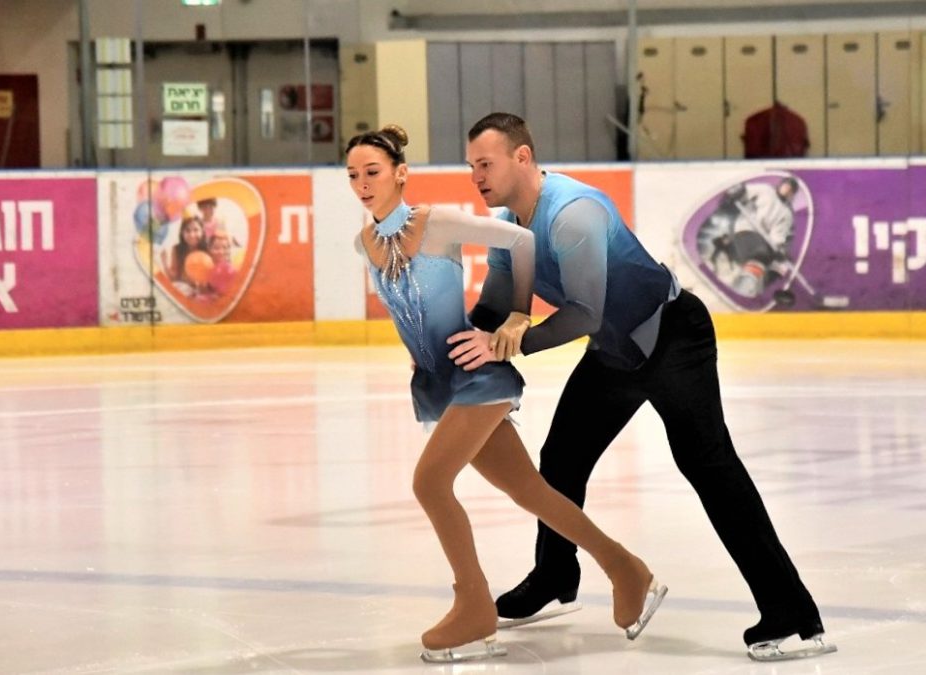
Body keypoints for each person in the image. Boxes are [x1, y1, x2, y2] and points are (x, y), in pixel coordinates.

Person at [452, 112, 834, 662]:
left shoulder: (574, 215)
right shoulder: (511, 229)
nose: (475, 177)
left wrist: (511, 345)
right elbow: (493, 306)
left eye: (484, 164)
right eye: (471, 167)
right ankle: (555, 577)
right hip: (616, 350)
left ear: (522, 158)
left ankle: (793, 614)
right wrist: (451, 344)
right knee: (561, 458)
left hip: (672, 336)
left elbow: (583, 313)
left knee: (709, 467)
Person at [347, 124, 667, 663]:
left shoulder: (437, 223)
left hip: (480, 378)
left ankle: (473, 606)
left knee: (430, 482)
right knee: (530, 491)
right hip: (441, 381)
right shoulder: (366, 244)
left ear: (401, 174)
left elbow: (521, 240)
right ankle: (626, 569)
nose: (362, 183)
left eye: (373, 172)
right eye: (353, 175)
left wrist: (517, 316)